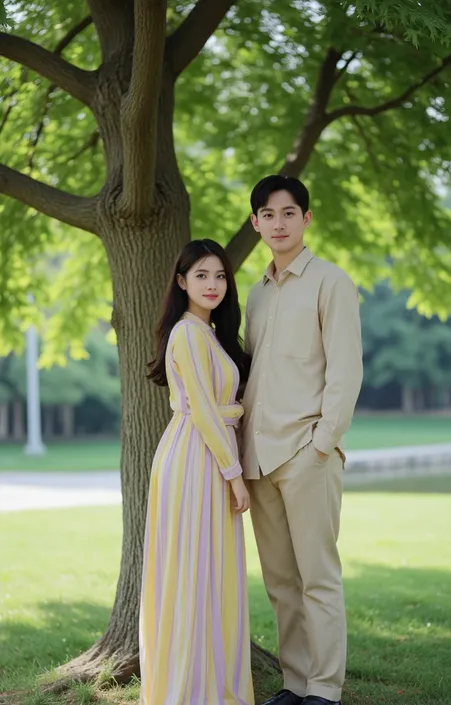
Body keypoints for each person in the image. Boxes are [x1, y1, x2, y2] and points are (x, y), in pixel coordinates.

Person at [241, 175, 363, 705]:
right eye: (268, 214)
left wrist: (322, 443)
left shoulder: (331, 282)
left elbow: (345, 371)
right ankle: (295, 684)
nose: (278, 223)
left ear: (306, 219)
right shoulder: (256, 293)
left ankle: (326, 689)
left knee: (319, 579)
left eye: (289, 213)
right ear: (255, 223)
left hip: (306, 454)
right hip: (258, 458)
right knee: (281, 584)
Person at [140, 239, 254, 705]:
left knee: (212, 571)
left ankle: (211, 681)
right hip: (195, 458)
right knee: (194, 571)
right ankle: (189, 688)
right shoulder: (187, 333)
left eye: (221, 276)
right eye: (202, 275)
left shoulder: (209, 334)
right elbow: (205, 412)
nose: (213, 284)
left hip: (208, 454)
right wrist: (235, 474)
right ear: (181, 281)